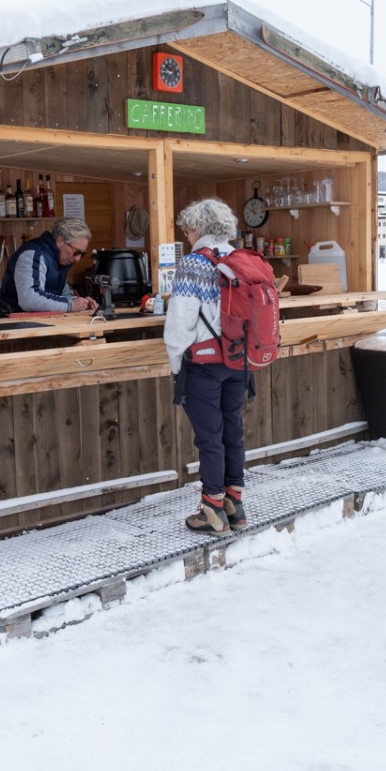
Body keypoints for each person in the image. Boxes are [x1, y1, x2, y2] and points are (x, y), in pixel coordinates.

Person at [163, 197, 248, 537]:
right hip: (239, 361)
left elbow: (180, 324)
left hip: (204, 364)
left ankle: (211, 510)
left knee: (210, 438)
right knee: (233, 431)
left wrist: (175, 366)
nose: (186, 235)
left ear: (198, 227)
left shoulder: (193, 264)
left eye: (187, 228)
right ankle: (234, 504)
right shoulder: (241, 259)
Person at [0, 218, 99, 314]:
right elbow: (29, 299)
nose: (78, 259)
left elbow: (63, 296)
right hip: (10, 322)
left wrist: (81, 303)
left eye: (82, 254)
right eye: (76, 252)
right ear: (60, 241)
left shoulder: (60, 261)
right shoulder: (33, 254)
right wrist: (71, 305)